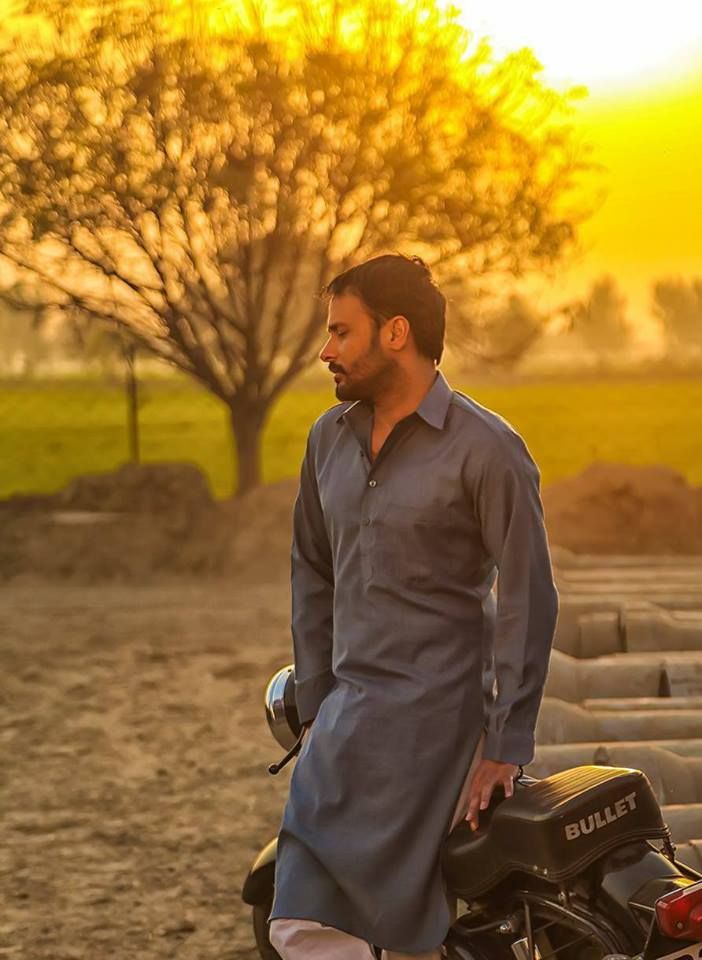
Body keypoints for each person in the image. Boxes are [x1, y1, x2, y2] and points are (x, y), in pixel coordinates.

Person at [267, 253, 559, 960]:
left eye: (341, 333)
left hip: (440, 727)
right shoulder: (326, 442)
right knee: (299, 922)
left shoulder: (487, 449)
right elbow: (312, 570)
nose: (326, 351)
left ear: (395, 333)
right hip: (342, 725)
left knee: (411, 933)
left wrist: (503, 745)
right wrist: (313, 708)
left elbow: (529, 596)